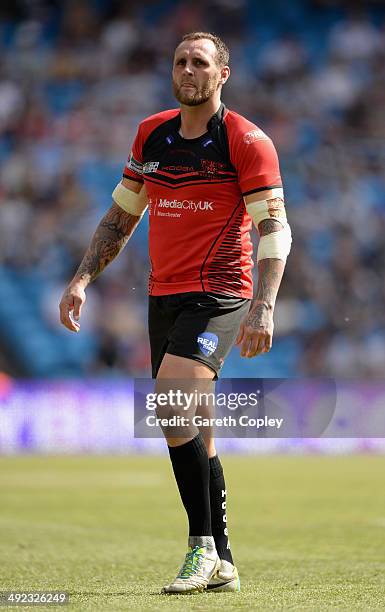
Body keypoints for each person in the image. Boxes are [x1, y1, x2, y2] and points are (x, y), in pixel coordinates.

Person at [59, 31, 292, 595]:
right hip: (163, 296)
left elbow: (274, 228)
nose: (188, 70)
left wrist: (263, 306)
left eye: (200, 63)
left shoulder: (246, 141)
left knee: (168, 400)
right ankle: (227, 559)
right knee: (197, 429)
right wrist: (82, 278)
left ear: (222, 75)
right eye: (181, 61)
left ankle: (200, 547)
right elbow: (122, 216)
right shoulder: (151, 134)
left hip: (221, 293)